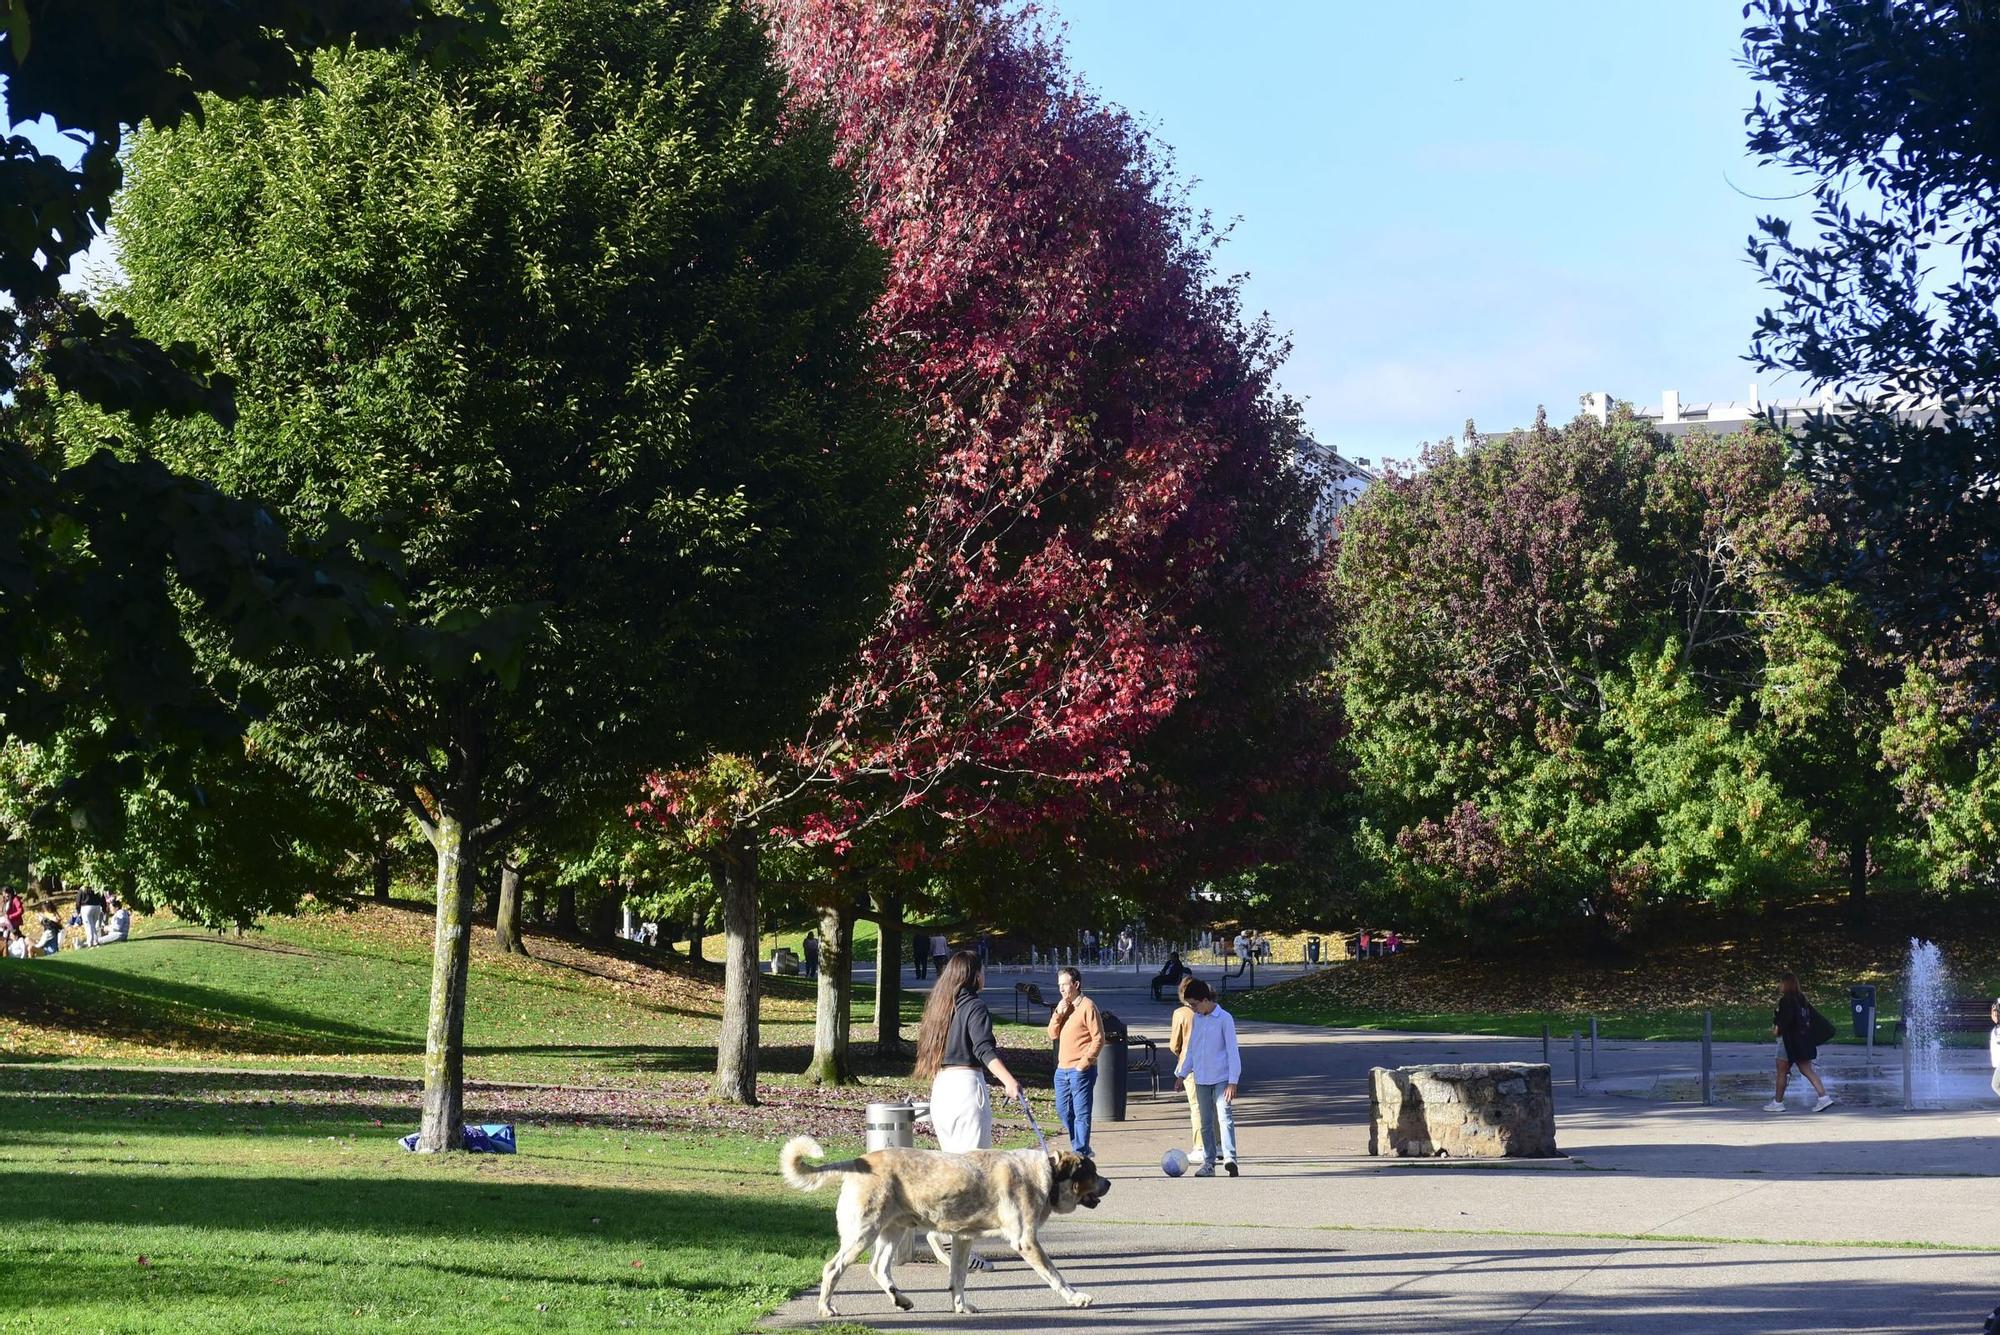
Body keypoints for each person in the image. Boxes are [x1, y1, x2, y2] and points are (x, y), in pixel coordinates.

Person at [914, 949, 1025, 1270]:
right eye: (983, 970)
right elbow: (983, 1049)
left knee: (954, 1168)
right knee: (974, 1173)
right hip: (966, 1089)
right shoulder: (974, 1005)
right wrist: (1009, 1081)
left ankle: (946, 1233)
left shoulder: (941, 1008)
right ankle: (955, 1244)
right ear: (974, 975)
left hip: (943, 1089)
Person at [1173, 979, 1241, 1176]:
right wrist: (1182, 1073)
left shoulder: (1224, 1018)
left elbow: (1232, 1051)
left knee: (1224, 1116)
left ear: (1204, 1000)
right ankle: (1208, 1162)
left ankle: (1230, 1158)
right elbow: (1192, 1050)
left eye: (1194, 1004)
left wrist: (1232, 1081)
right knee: (1205, 1122)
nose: (1193, 1009)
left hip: (1221, 1077)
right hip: (1201, 1078)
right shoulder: (1197, 1019)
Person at [1046, 966, 1104, 1159]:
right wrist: (1058, 1014)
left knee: (1081, 1113)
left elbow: (1098, 1038)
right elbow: (1052, 1034)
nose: (1061, 989)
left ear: (1076, 984)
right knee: (1063, 1111)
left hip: (1081, 1070)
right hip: (1062, 1070)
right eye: (1059, 985)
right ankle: (1080, 1147)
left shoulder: (1088, 1006)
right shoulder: (1063, 1007)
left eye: (1065, 984)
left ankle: (1080, 1152)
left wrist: (1084, 1064)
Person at [1765, 972, 1835, 1112]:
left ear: (1786, 984)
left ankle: (1778, 1103)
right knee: (1807, 1070)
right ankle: (1823, 1097)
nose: (1779, 986)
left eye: (1781, 983)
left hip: (1788, 1042)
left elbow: (1785, 1020)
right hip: (1802, 1042)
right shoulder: (1802, 999)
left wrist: (1776, 1029)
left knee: (1782, 1071)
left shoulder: (1786, 1001)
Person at [1168, 974, 1205, 1164]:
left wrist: (1181, 1055)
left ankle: (1199, 1146)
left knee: (1196, 1106)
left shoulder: (1181, 1013)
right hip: (1208, 1063)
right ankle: (1217, 1143)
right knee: (1212, 1106)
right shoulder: (1207, 1010)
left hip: (1188, 1065)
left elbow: (1175, 1044)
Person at [1988, 999, 1999, 1118]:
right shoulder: (1996, 1029)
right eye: (1993, 1012)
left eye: (1996, 1012)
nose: (1994, 1015)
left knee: (1996, 1085)